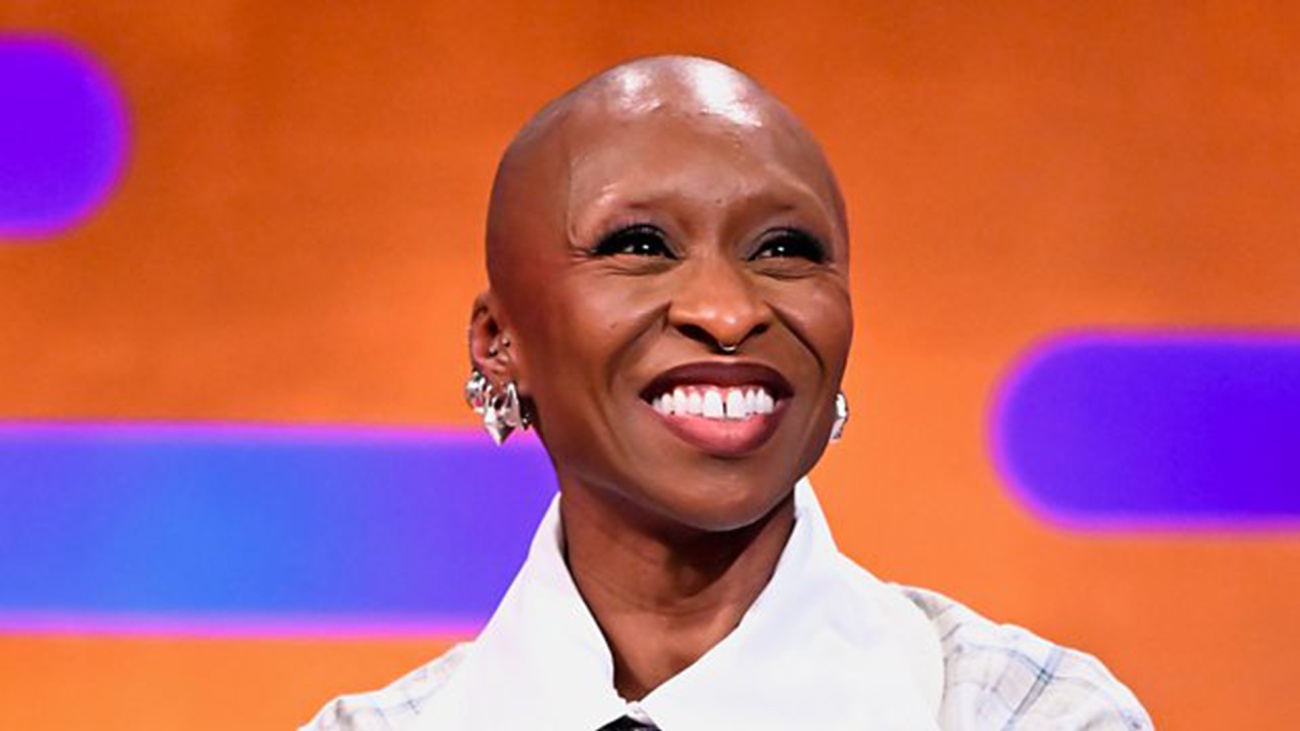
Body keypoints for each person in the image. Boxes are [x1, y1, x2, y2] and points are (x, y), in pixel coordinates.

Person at [303, 56, 1152, 730]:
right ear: (500, 343)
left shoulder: (1027, 714)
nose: (729, 311)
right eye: (640, 244)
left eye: (784, 249)